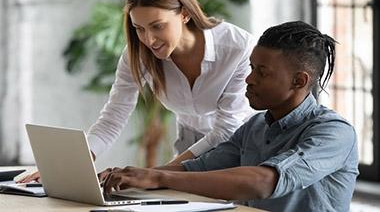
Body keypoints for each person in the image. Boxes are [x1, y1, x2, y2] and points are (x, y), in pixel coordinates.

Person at [18, 0, 254, 182]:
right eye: (139, 29)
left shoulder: (237, 48)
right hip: (187, 149)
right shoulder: (139, 55)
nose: (149, 40)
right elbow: (113, 118)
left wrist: (157, 174)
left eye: (157, 26)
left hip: (240, 150)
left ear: (184, 13)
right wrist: (69, 167)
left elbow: (226, 130)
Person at [101, 21, 359, 212]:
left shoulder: (334, 133)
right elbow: (197, 167)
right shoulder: (256, 126)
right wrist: (130, 176)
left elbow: (265, 181)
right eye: (251, 68)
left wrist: (157, 177)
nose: (249, 79)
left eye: (262, 72)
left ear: (299, 81)